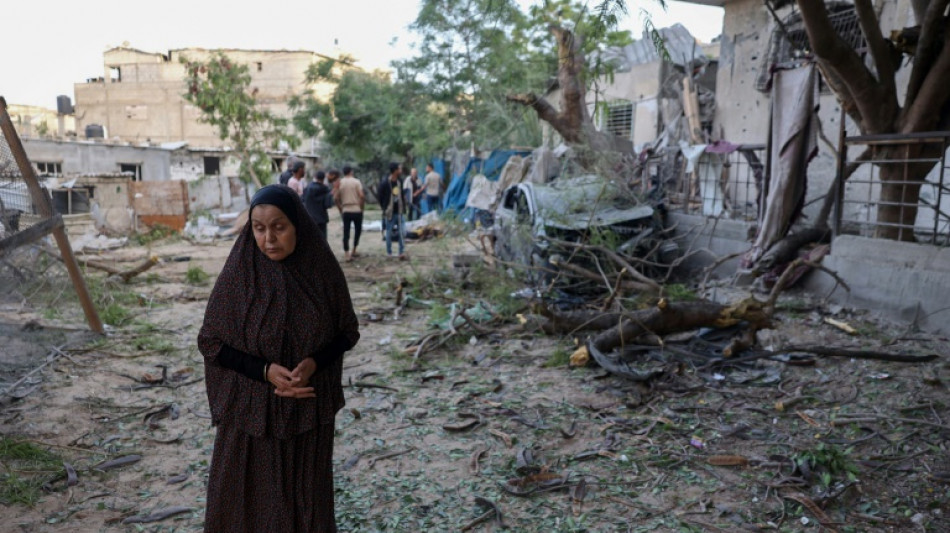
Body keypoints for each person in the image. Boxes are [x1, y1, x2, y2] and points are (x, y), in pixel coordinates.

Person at [198, 185, 360, 532]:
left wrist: (314, 364)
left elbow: (347, 332)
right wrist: (266, 371)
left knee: (303, 499)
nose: (268, 238)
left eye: (279, 227)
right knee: (246, 500)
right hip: (250, 416)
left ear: (298, 225)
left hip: (307, 413)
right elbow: (211, 342)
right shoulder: (240, 274)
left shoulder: (322, 272)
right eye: (259, 228)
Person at [377, 162, 407, 260]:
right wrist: (384, 208)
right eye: (399, 169)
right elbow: (380, 196)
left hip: (399, 211)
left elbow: (401, 195)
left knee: (402, 232)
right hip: (390, 212)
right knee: (389, 233)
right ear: (395, 171)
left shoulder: (400, 181)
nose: (401, 170)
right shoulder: (385, 183)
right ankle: (389, 252)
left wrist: (404, 207)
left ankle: (401, 252)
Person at [335, 166, 364, 262]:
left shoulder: (340, 183)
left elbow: (336, 198)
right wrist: (361, 207)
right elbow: (361, 195)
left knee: (346, 232)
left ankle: (346, 253)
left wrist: (340, 208)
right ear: (351, 172)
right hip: (356, 209)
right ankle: (354, 250)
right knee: (358, 230)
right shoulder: (356, 182)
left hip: (346, 209)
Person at [303, 170, 334, 239]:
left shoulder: (307, 188)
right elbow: (328, 204)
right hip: (321, 218)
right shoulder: (325, 190)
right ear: (323, 178)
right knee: (322, 240)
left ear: (315, 177)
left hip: (309, 217)